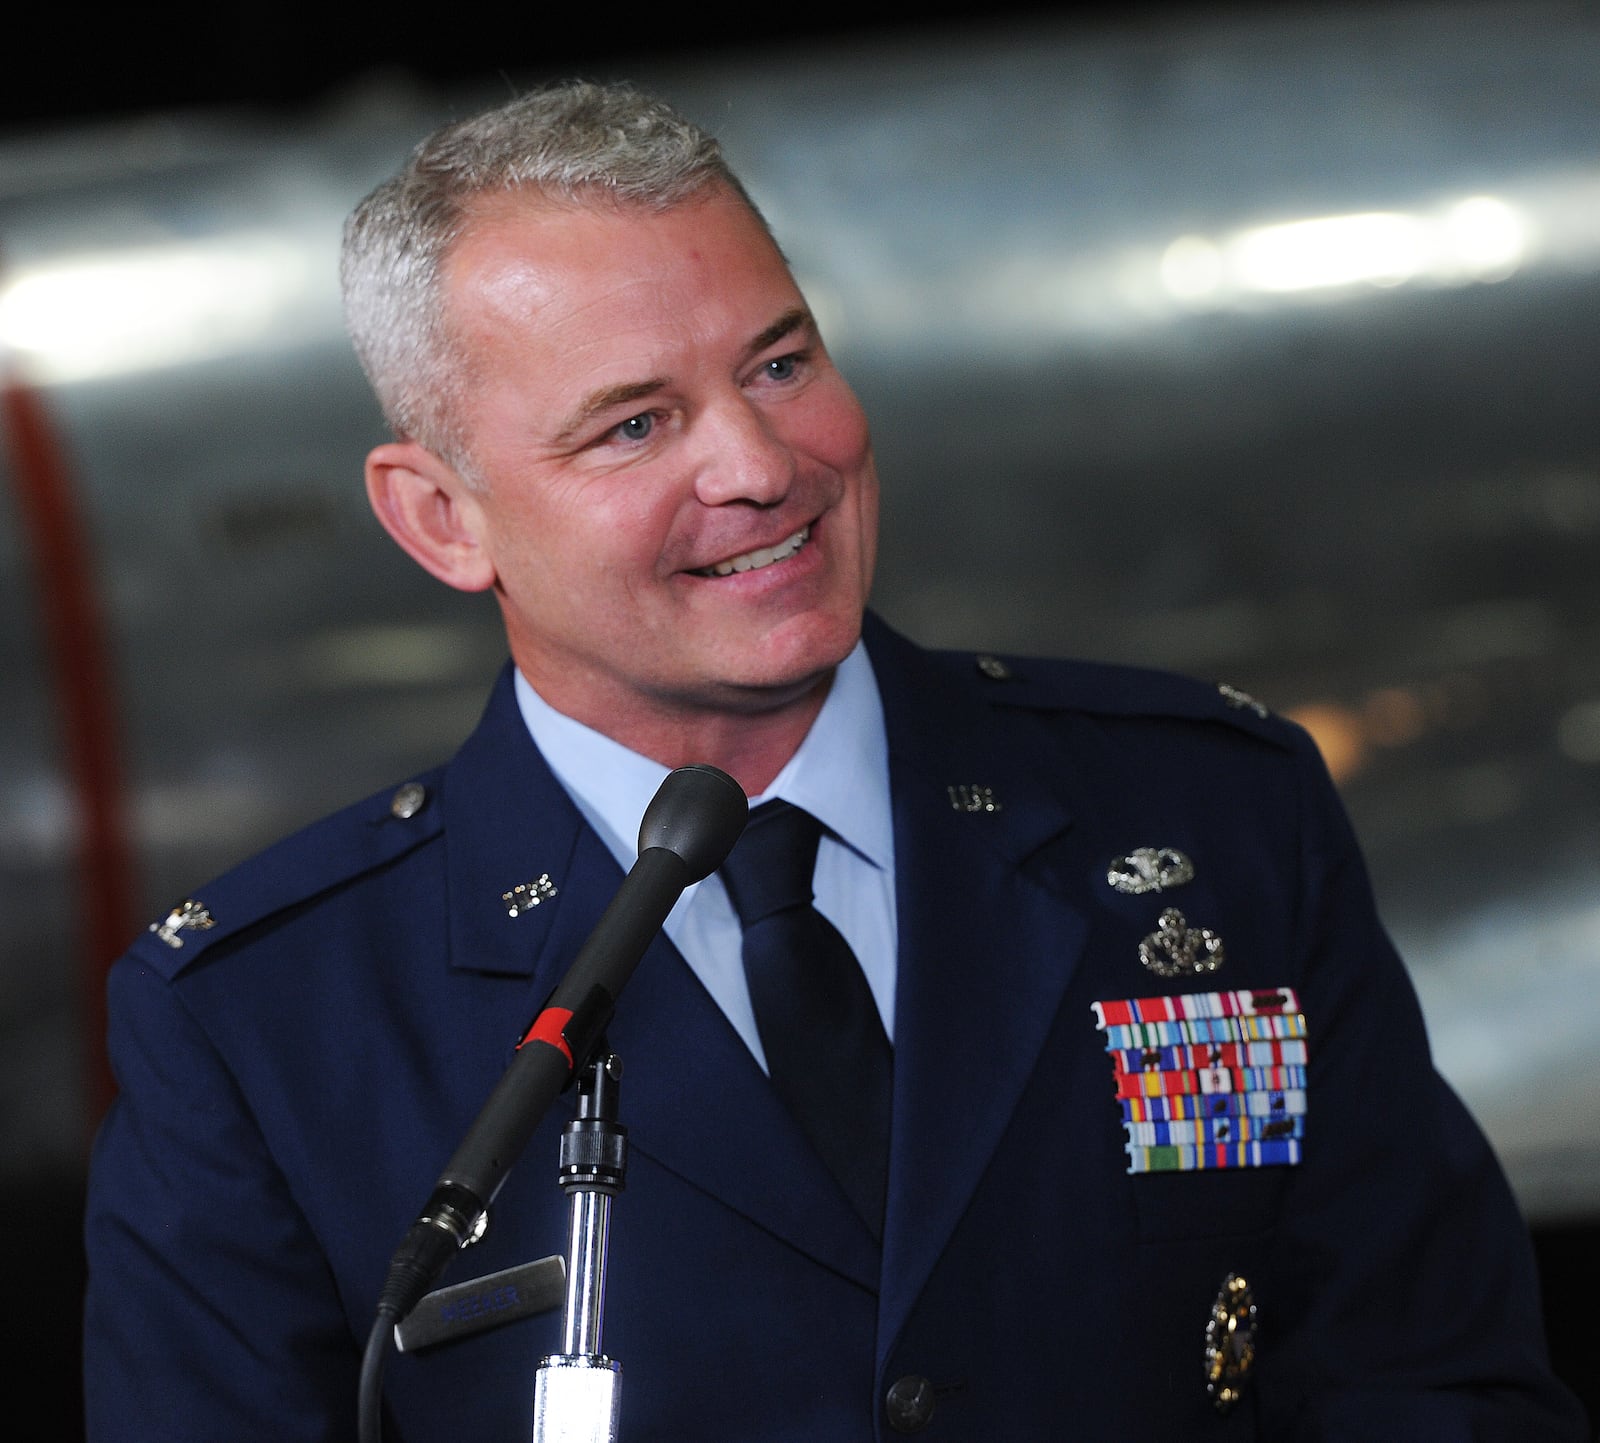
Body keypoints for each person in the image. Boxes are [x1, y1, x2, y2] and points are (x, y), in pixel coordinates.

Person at [83, 81, 1588, 1441]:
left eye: (781, 362)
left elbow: (1441, 1386)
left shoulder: (1213, 814)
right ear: (441, 518)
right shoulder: (265, 1022)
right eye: (632, 426)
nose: (757, 463)